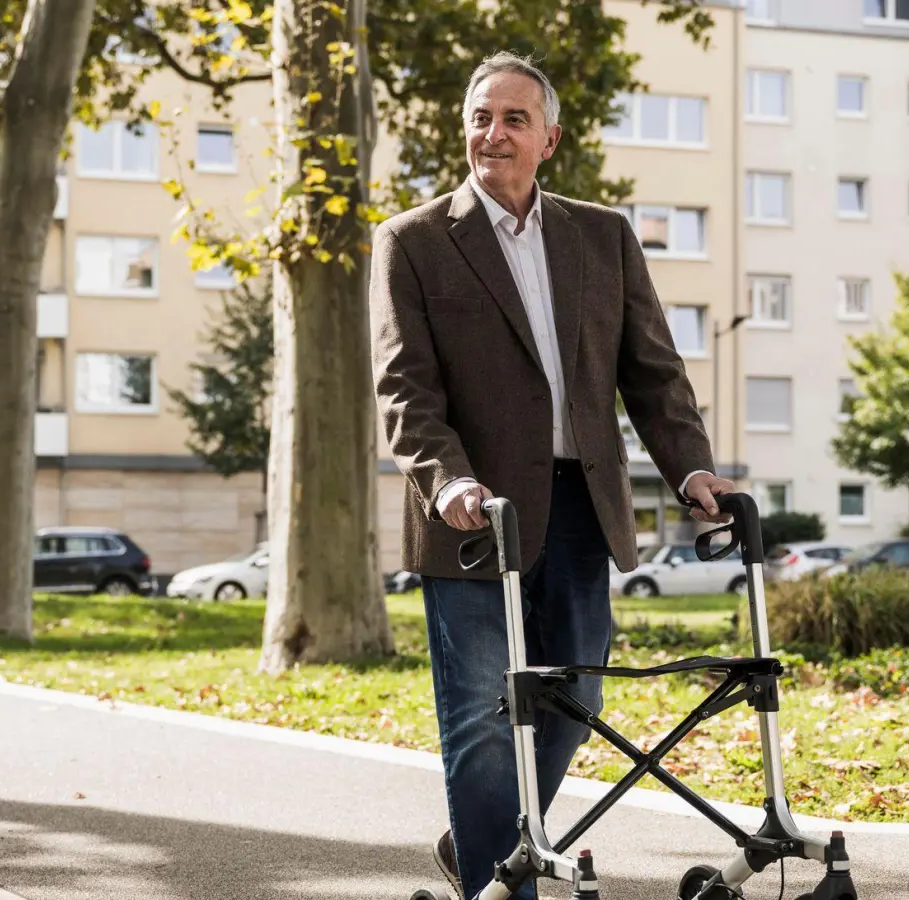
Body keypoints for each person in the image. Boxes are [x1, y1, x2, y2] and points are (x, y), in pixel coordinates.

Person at [368, 51, 734, 900]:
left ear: (549, 138)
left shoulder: (600, 235)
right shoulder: (414, 241)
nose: (492, 133)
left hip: (580, 503)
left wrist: (695, 471)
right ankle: (508, 886)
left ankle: (485, 844)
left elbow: (652, 370)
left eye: (513, 120)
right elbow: (405, 388)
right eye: (480, 118)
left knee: (575, 697)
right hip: (470, 514)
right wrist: (446, 479)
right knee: (484, 713)